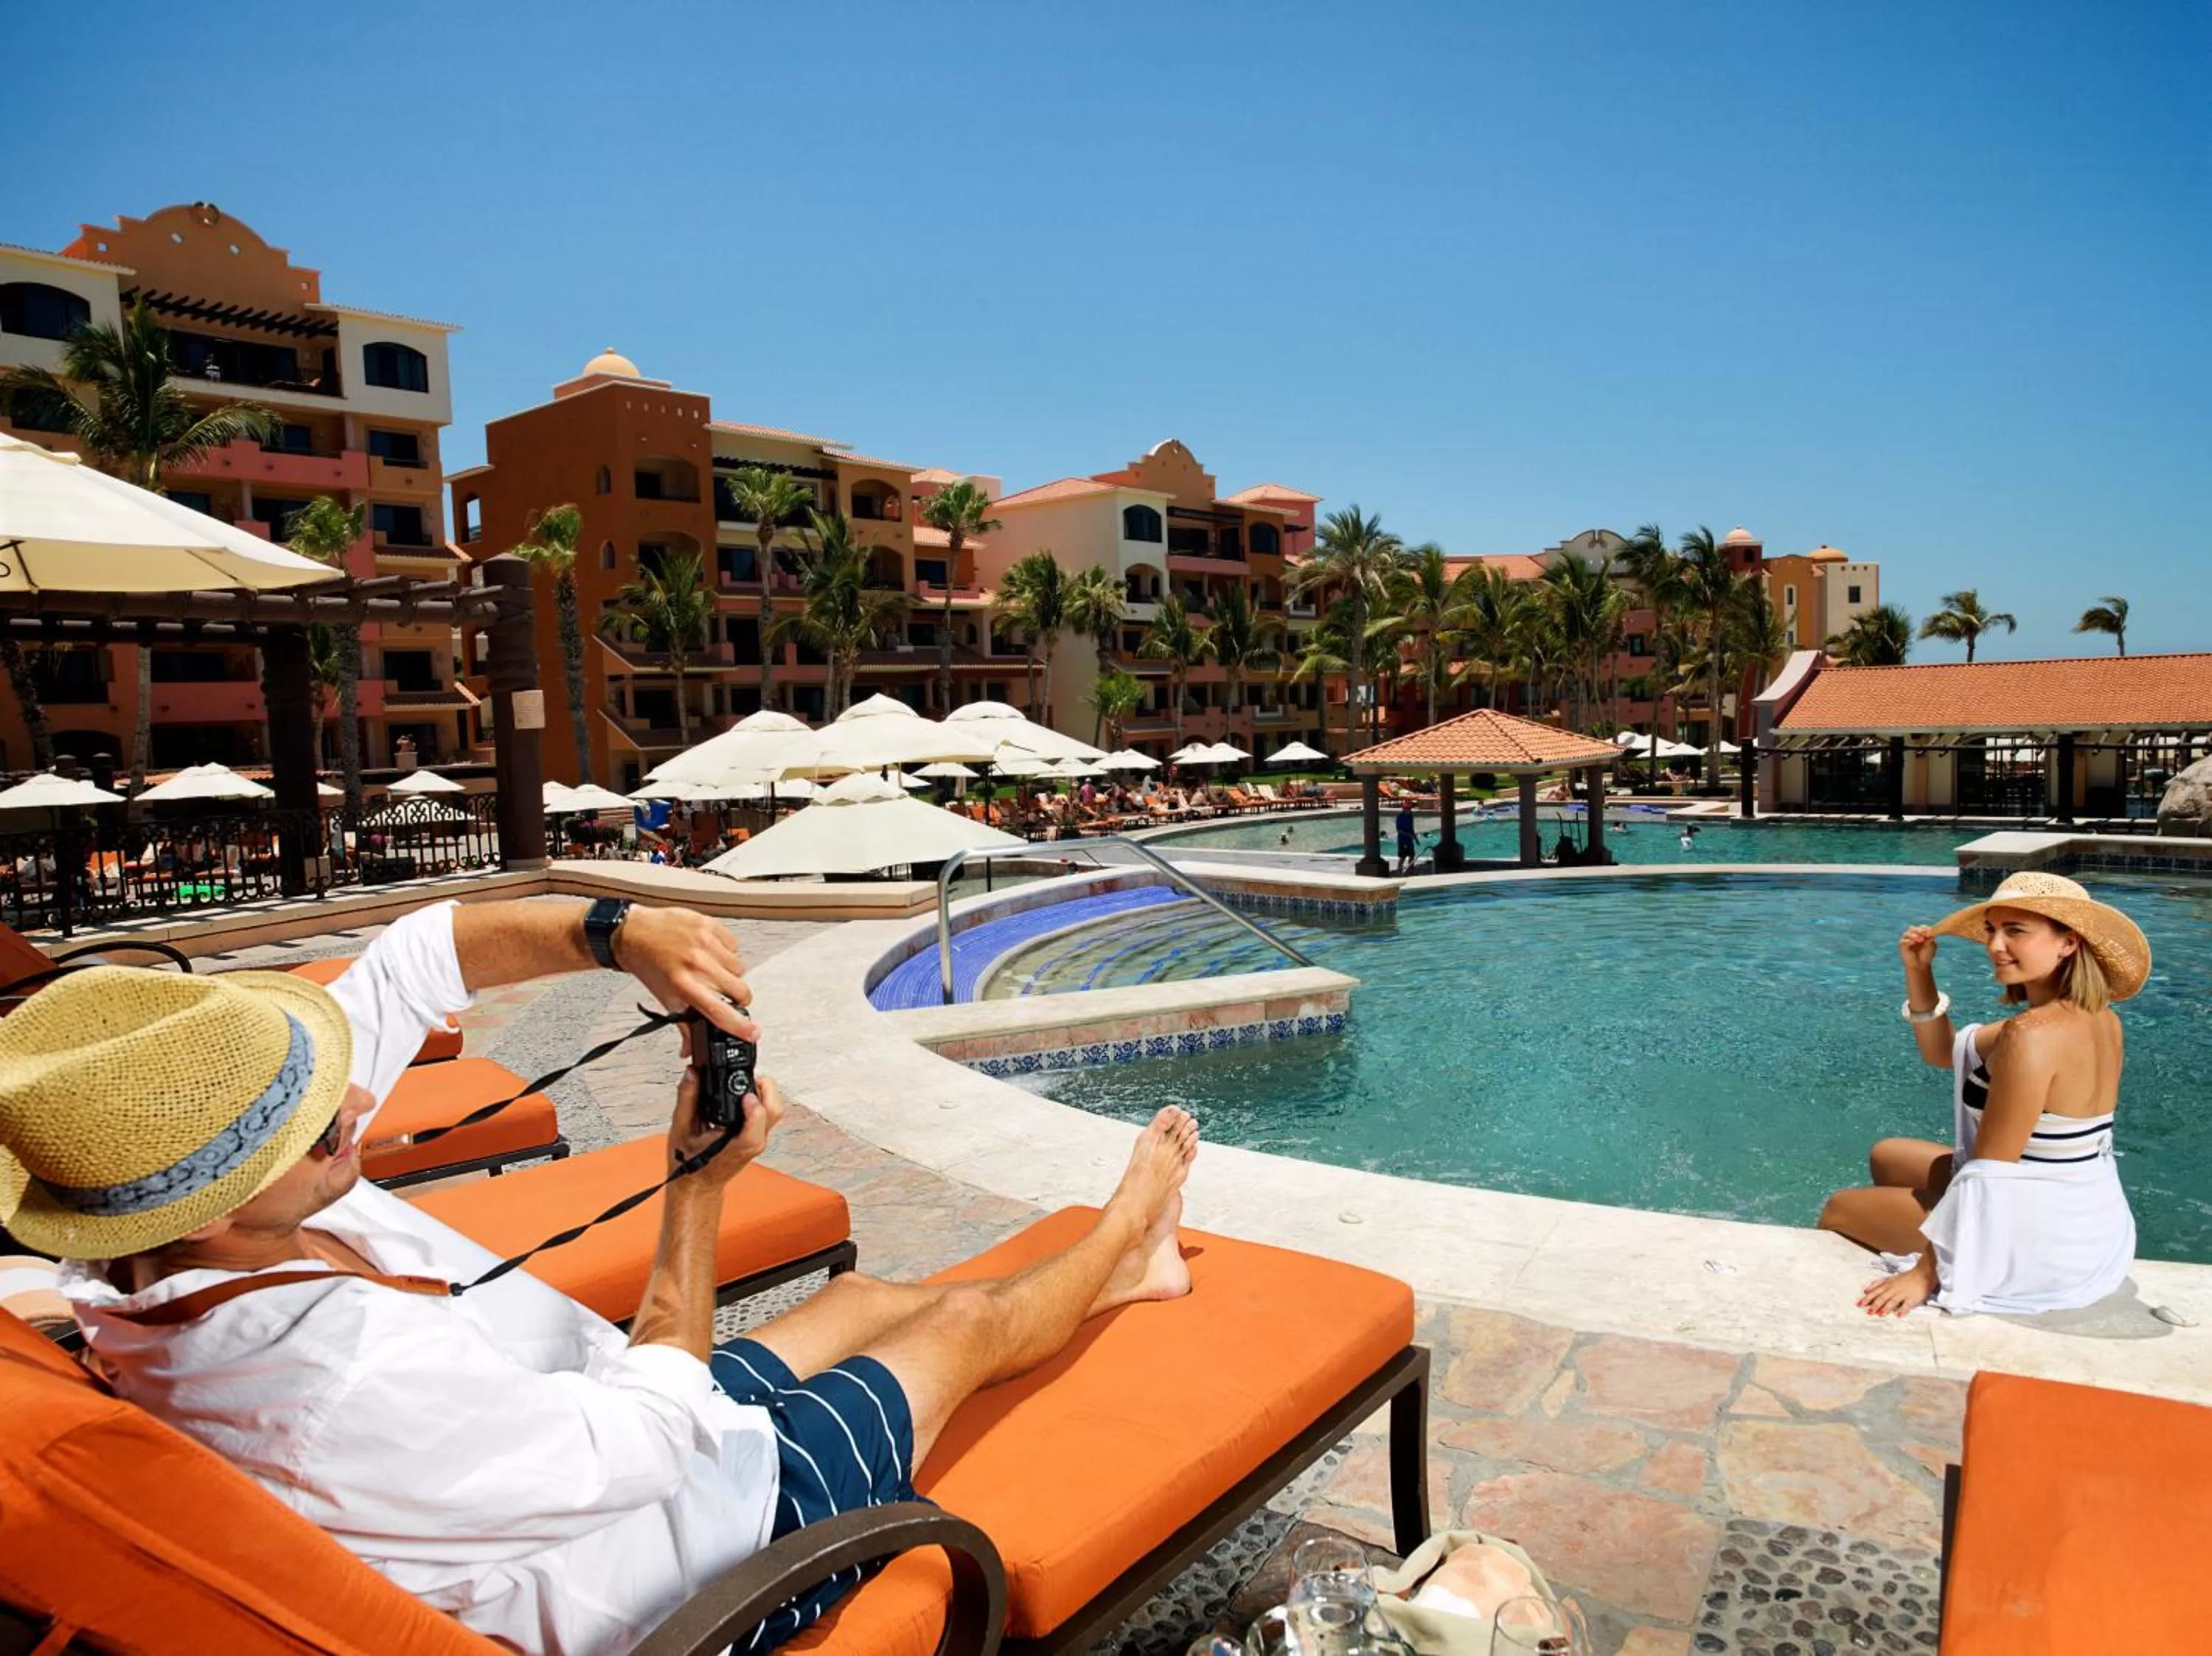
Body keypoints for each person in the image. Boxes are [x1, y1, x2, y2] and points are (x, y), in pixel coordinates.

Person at [0, 897, 1200, 1655]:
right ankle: (1129, 1235)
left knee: (852, 1297)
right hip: (687, 1560)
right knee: (963, 1324)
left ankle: (1097, 1268)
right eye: (313, 1129)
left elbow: (416, 957)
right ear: (201, 1208)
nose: (356, 1104)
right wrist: (697, 1189)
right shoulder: (334, 1384)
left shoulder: (131, 1253)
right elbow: (644, 1445)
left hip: (594, 1428)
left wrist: (617, 930)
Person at [1818, 872, 2150, 1318]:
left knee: (1840, 1209)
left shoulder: (2032, 1036)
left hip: (2041, 1244)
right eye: (1993, 930)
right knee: (1889, 1156)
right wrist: (1919, 970)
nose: (1996, 946)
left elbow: (1990, 1171)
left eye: (2016, 931)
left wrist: (1926, 1273)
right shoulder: (2095, 1016)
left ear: (2067, 943)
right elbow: (1941, 1052)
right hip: (2092, 1221)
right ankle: (1909, 1220)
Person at [1394, 803, 1417, 873]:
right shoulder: (1400, 817)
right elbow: (1399, 830)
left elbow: (1411, 827)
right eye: (1407, 808)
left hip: (1410, 840)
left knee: (1412, 855)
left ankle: (1411, 869)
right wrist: (1408, 835)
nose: (1408, 810)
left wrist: (1415, 838)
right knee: (1403, 857)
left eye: (1409, 808)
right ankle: (1399, 869)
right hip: (1402, 840)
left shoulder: (1411, 816)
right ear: (1403, 809)